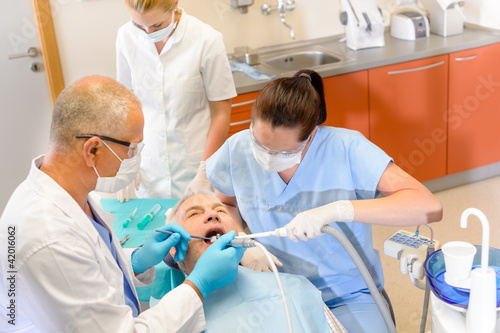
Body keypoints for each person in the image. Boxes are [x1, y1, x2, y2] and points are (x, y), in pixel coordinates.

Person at [206, 69, 444, 332]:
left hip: (347, 293)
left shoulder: (347, 148)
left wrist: (340, 210)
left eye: (281, 152)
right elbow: (226, 203)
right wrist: (243, 241)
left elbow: (428, 206)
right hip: (275, 288)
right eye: (259, 144)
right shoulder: (238, 148)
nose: (266, 157)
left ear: (312, 134)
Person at [0, 76, 244, 332]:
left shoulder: (77, 196)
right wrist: (198, 285)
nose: (135, 159)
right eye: (132, 150)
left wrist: (135, 261)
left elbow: (94, 268)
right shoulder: (49, 239)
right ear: (93, 150)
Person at [164, 189, 348, 333]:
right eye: (194, 214)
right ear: (174, 247)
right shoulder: (169, 320)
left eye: (220, 210)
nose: (213, 215)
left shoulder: (295, 288)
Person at [116, 0, 236, 200]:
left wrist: (204, 172)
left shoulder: (207, 40)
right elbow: (126, 102)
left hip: (194, 166)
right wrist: (127, 158)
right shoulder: (125, 36)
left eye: (156, 26)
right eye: (139, 25)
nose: (147, 33)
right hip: (148, 167)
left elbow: (221, 112)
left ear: (174, 4)